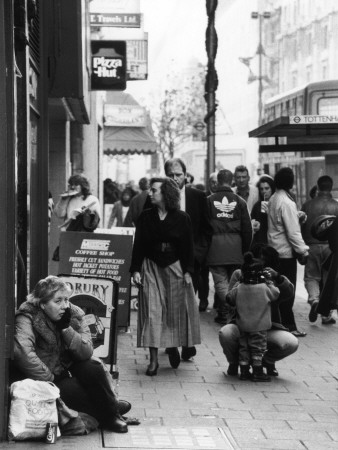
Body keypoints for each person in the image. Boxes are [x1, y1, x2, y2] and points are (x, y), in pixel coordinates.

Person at [13, 276, 130, 433]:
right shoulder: (27, 317)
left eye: (66, 300)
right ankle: (111, 412)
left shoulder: (73, 314)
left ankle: (110, 413)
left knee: (92, 367)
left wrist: (66, 329)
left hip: (69, 367)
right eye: (58, 301)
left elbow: (86, 351)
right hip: (46, 376)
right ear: (42, 304)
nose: (64, 306)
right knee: (71, 390)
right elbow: (23, 353)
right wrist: (51, 378)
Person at [130, 178, 201, 375]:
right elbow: (139, 245)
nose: (150, 194)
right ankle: (153, 361)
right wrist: (135, 269)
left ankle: (173, 346)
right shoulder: (145, 217)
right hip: (151, 267)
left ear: (166, 194)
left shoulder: (182, 218)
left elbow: (188, 246)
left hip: (174, 267)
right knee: (152, 312)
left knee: (174, 312)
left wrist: (188, 271)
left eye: (154, 191)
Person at [219, 244, 299, 378]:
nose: (260, 265)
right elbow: (230, 300)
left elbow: (288, 293)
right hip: (242, 324)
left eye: (264, 262)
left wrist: (277, 278)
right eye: (257, 260)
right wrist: (244, 284)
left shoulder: (271, 277)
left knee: (291, 343)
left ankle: (267, 361)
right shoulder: (239, 274)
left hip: (267, 326)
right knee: (225, 333)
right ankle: (234, 362)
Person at [164, 158, 212, 358]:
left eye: (179, 174)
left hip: (192, 259)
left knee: (189, 303)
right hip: (167, 259)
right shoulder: (160, 197)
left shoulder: (199, 196)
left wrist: (198, 255)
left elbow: (207, 229)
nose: (175, 179)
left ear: (186, 175)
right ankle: (172, 342)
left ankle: (188, 344)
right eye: (171, 175)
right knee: (170, 302)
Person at [206, 169, 253, 325]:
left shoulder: (208, 201)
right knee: (234, 282)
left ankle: (226, 308)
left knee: (220, 282)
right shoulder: (240, 202)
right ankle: (232, 309)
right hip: (235, 249)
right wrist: (245, 250)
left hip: (215, 249)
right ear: (232, 180)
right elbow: (247, 229)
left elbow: (203, 228)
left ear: (218, 181)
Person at [267, 167, 309, 337]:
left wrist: (296, 215)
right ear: (290, 182)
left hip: (273, 251)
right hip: (285, 254)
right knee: (288, 290)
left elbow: (279, 223)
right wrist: (303, 250)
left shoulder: (274, 199)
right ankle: (289, 326)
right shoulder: (287, 202)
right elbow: (292, 232)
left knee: (276, 290)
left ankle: (278, 323)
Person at [226, 252, 280, 381]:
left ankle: (244, 371)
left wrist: (238, 283)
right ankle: (258, 372)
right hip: (260, 326)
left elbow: (229, 298)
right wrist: (269, 282)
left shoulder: (240, 288)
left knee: (243, 348)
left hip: (243, 325)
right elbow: (276, 294)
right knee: (258, 348)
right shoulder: (264, 288)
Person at [301, 176, 338, 325]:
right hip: (331, 248)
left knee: (311, 277)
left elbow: (301, 226)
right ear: (331, 187)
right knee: (329, 281)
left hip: (311, 245)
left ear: (318, 186)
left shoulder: (307, 205)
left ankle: (314, 300)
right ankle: (326, 315)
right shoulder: (336, 206)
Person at [251, 175, 276, 245]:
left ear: (272, 189)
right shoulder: (257, 206)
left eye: (266, 188)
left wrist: (270, 213)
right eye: (261, 189)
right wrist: (254, 224)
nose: (264, 191)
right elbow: (252, 220)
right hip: (261, 242)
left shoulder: (277, 203)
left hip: (275, 241)